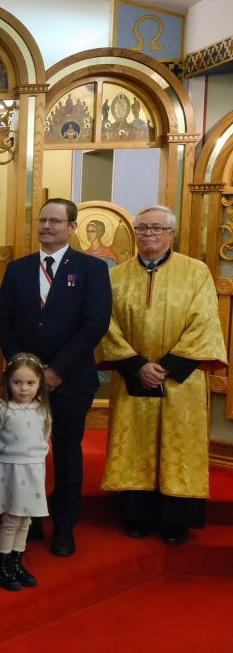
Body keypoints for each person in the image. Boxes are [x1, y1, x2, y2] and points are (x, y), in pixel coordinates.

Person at [96, 205, 226, 545]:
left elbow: (204, 321)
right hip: (133, 374)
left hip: (181, 378)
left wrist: (166, 366)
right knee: (136, 444)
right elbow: (105, 323)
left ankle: (176, 521)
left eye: (156, 228)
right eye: (142, 228)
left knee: (177, 446)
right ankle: (137, 516)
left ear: (171, 233)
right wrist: (136, 365)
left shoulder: (195, 272)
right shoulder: (115, 276)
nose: (149, 234)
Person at [0, 197, 112, 556]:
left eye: (55, 221)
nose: (47, 226)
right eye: (43, 220)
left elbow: (95, 324)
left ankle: (64, 525)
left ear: (72, 227)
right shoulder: (18, 268)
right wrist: (24, 370)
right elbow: (3, 320)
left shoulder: (92, 269)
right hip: (22, 384)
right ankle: (29, 517)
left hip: (71, 380)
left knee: (66, 452)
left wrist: (57, 370)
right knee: (24, 452)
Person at [0, 353, 50, 591]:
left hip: (34, 469)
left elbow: (44, 437)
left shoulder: (42, 409)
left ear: (40, 384)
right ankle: (2, 564)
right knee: (12, 518)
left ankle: (16, 561)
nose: (24, 388)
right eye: (17, 382)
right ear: (8, 382)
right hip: (10, 469)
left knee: (26, 519)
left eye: (30, 383)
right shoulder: (3, 408)